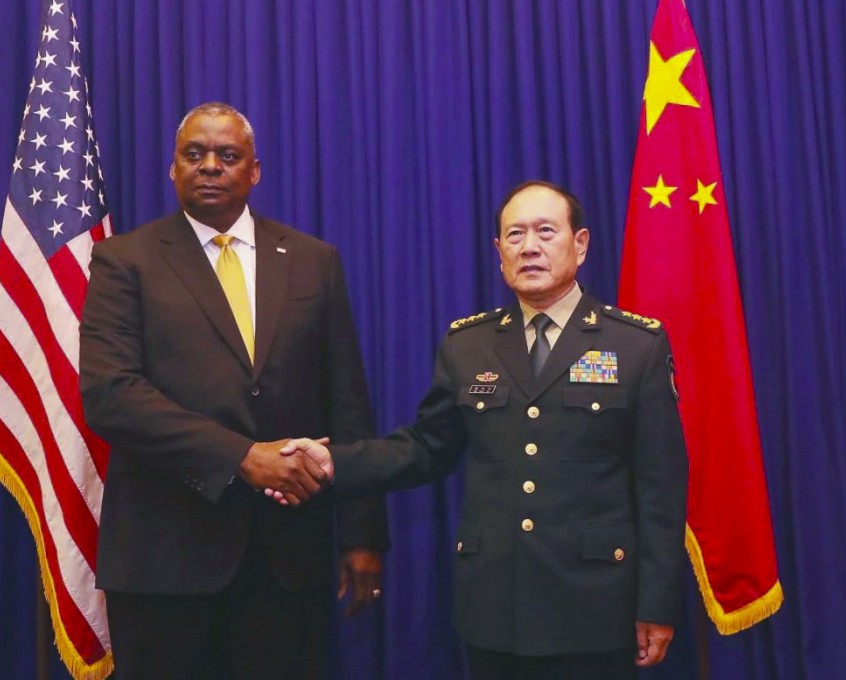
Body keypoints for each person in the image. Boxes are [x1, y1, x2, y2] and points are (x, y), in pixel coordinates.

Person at [280, 181, 688, 679]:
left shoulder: (635, 345)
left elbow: (661, 487)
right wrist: (333, 462)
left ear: (580, 244)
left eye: (545, 231)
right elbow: (427, 447)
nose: (529, 247)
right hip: (496, 606)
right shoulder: (468, 344)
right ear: (498, 252)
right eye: (515, 235)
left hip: (596, 604)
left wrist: (657, 602)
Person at [80, 102, 389, 680]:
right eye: (194, 154)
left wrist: (362, 533)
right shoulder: (124, 260)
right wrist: (242, 457)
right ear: (173, 169)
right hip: (165, 558)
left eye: (227, 155)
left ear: (255, 170)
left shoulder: (313, 261)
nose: (210, 166)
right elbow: (111, 394)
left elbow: (347, 403)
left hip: (286, 560)